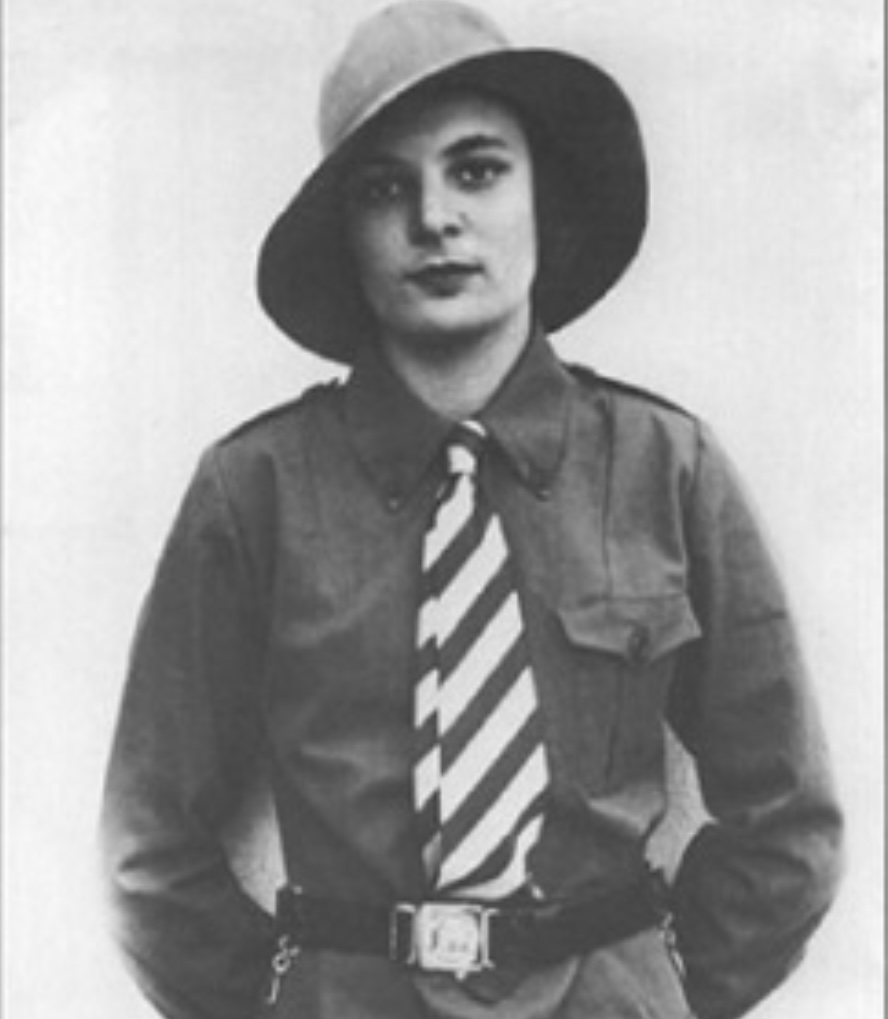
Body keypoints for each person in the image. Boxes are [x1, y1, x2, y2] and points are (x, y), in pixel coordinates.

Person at [100, 3, 843, 1018]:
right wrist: (278, 1001)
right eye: (384, 187)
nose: (435, 218)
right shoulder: (257, 490)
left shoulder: (667, 466)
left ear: (545, 198)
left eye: (478, 170)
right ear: (345, 234)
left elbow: (790, 822)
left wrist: (655, 989)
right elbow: (145, 851)